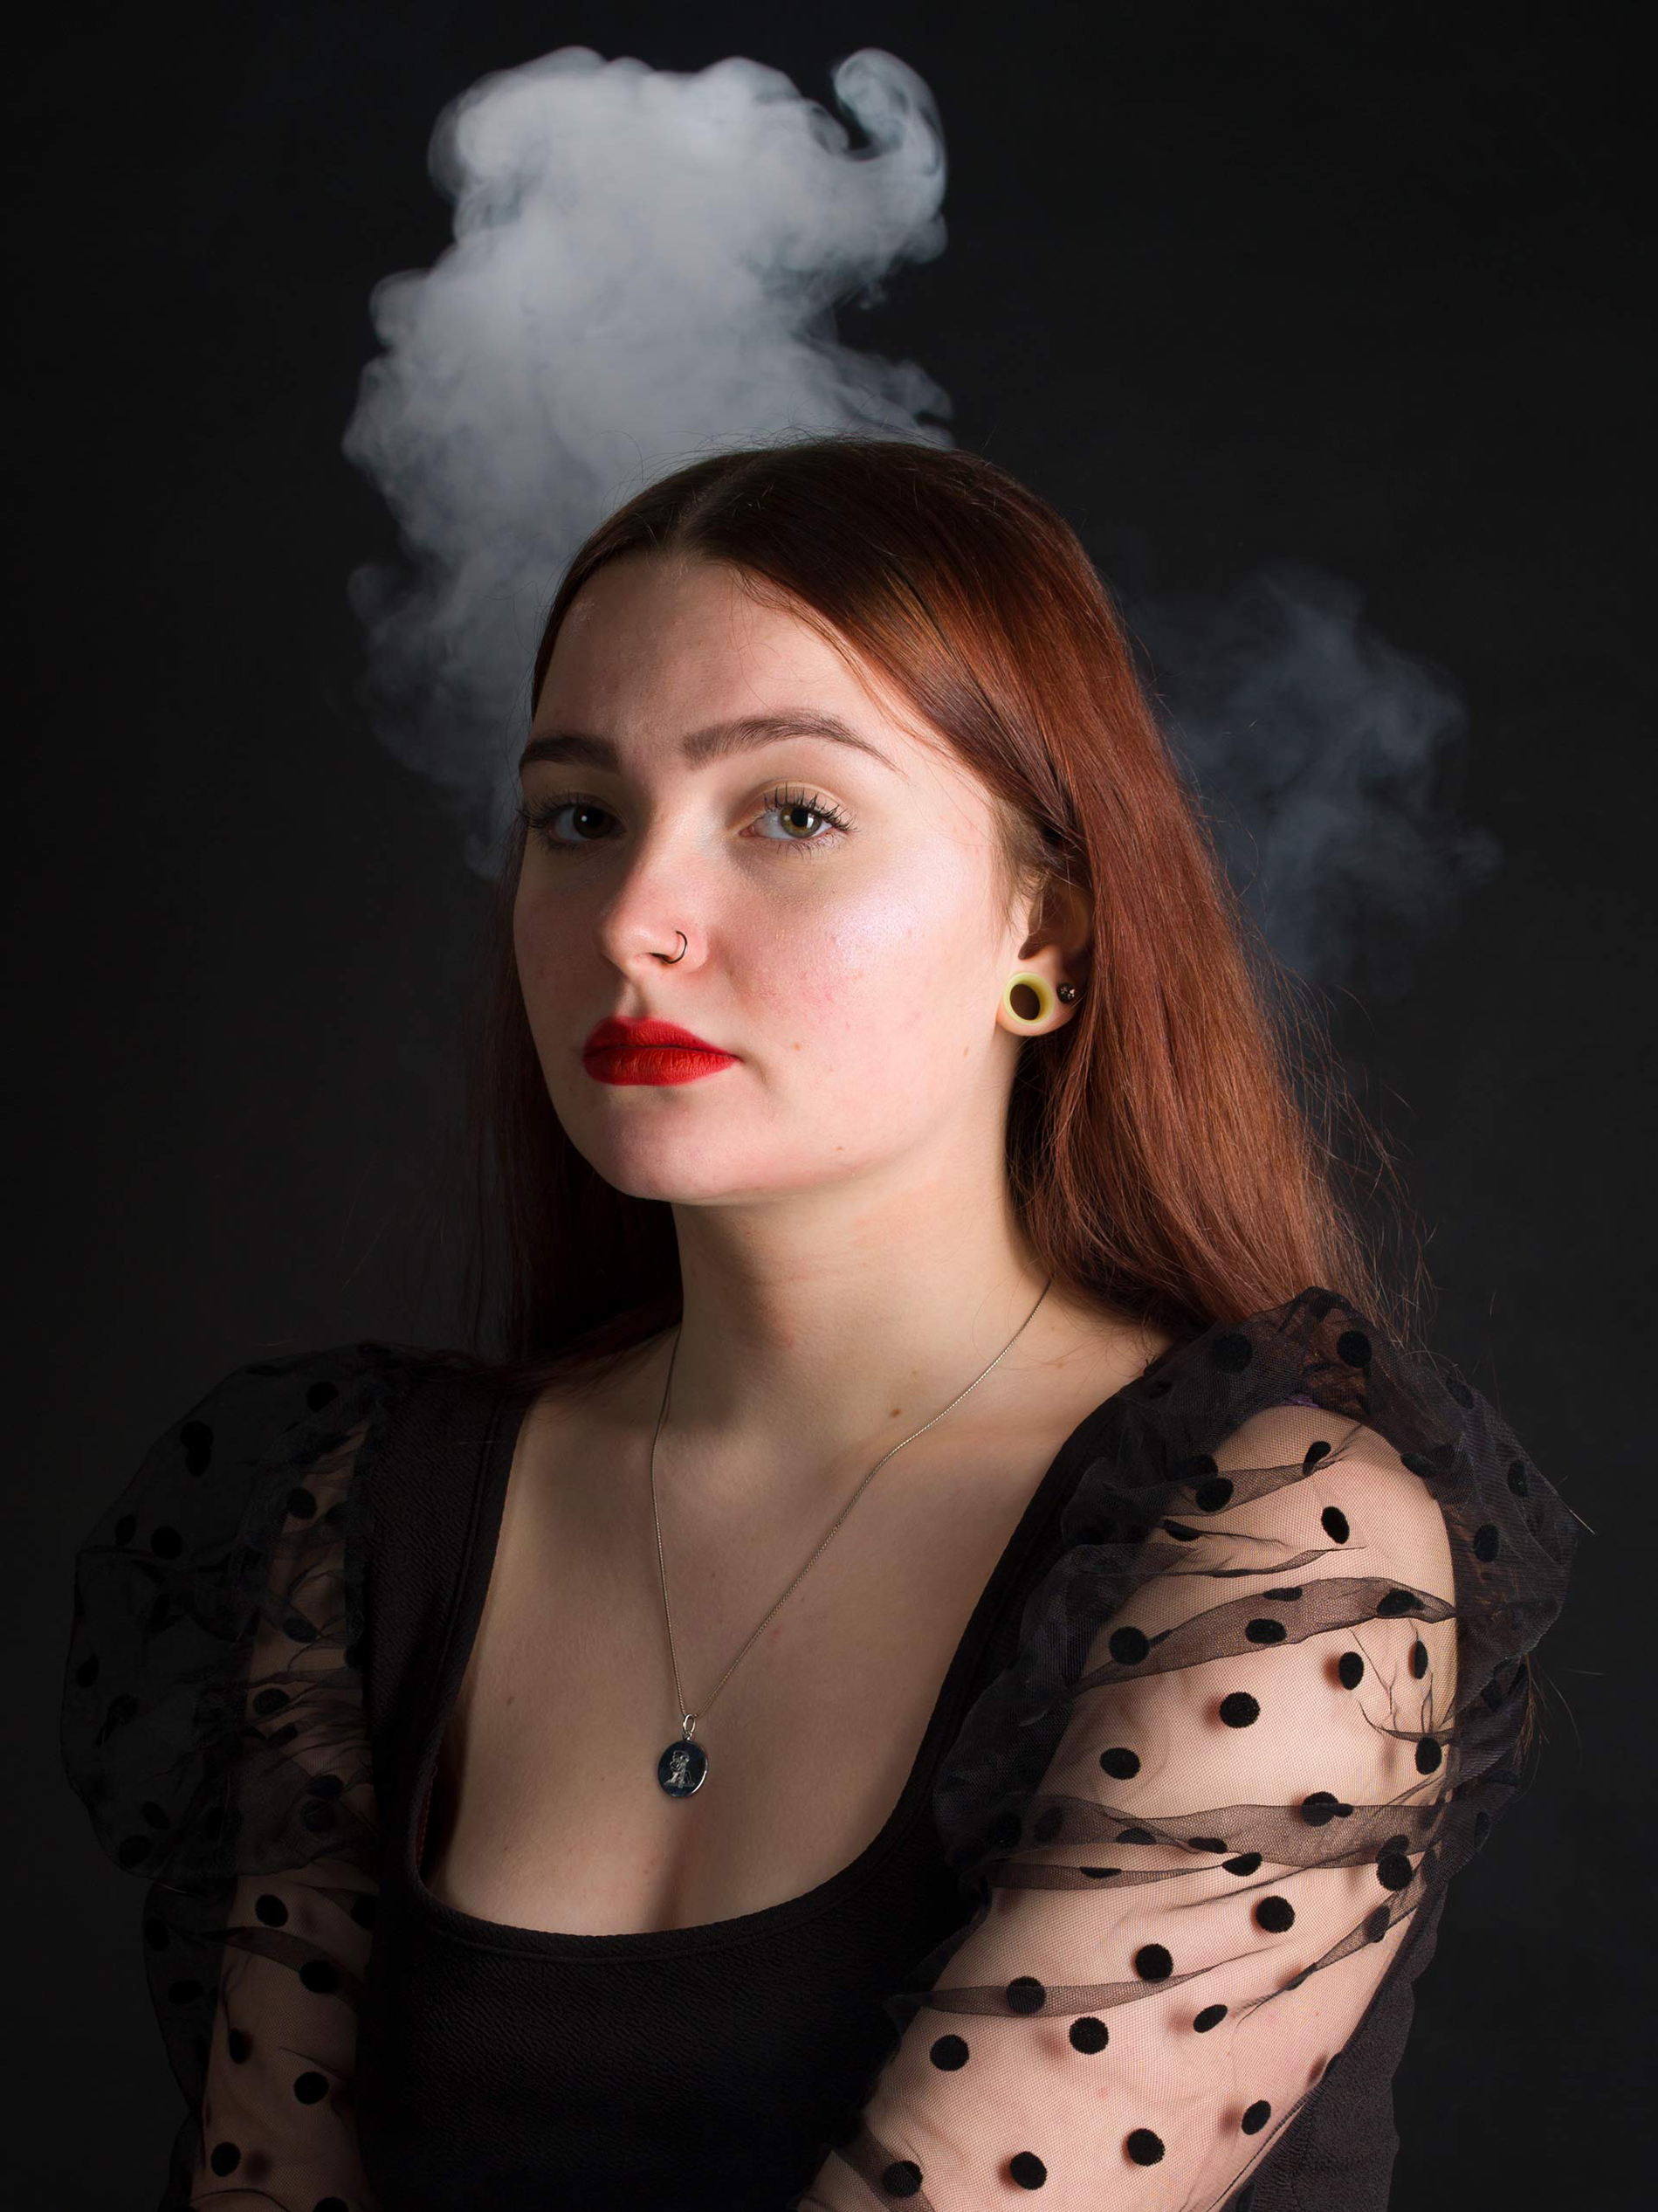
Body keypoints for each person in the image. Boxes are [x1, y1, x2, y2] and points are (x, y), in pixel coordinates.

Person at [61, 436, 1579, 2212]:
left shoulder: (1274, 1551)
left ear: (1044, 929)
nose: (635, 921)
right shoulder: (358, 1519)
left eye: (788, 813)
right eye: (577, 817)